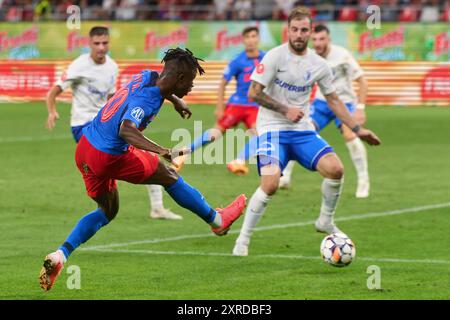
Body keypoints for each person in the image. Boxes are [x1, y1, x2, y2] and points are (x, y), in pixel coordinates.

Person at [39, 48, 247, 291]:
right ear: (179, 79)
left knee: (108, 210)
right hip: (109, 154)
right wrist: (165, 151)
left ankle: (60, 255)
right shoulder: (147, 99)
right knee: (169, 175)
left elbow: (158, 85)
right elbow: (127, 130)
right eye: (190, 82)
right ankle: (217, 220)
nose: (191, 88)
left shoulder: (147, 76)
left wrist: (176, 100)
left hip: (85, 149)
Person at [232, 7, 381, 257]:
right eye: (294, 29)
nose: (299, 34)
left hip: (301, 131)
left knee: (336, 169)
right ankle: (243, 239)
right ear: (288, 31)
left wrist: (358, 129)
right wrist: (284, 109)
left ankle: (325, 220)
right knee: (270, 184)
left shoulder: (319, 64)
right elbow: (254, 93)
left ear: (310, 32)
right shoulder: (273, 57)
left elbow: (334, 100)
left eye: (304, 30)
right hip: (271, 130)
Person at [45, 26, 182, 220]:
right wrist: (52, 111)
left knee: (143, 156)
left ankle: (154, 207)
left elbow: (113, 97)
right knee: (139, 157)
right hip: (84, 125)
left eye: (105, 43)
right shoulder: (78, 66)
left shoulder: (112, 66)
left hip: (104, 121)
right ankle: (143, 205)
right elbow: (53, 91)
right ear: (89, 44)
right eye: (97, 43)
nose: (101, 47)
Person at [279, 24, 371, 198]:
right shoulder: (309, 57)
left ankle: (363, 181)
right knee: (299, 131)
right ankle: (285, 177)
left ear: (329, 39)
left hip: (344, 103)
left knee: (350, 136)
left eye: (321, 39)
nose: (318, 43)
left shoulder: (342, 55)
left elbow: (362, 81)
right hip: (322, 103)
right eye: (314, 39)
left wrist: (360, 108)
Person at [172, 26, 265, 175]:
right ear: (243, 40)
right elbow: (223, 83)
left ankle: (239, 161)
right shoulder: (237, 61)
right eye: (248, 37)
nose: (251, 40)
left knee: (259, 134)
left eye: (254, 36)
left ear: (258, 39)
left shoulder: (266, 58)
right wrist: (220, 107)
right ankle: (183, 152)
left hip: (255, 106)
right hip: (237, 104)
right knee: (215, 133)